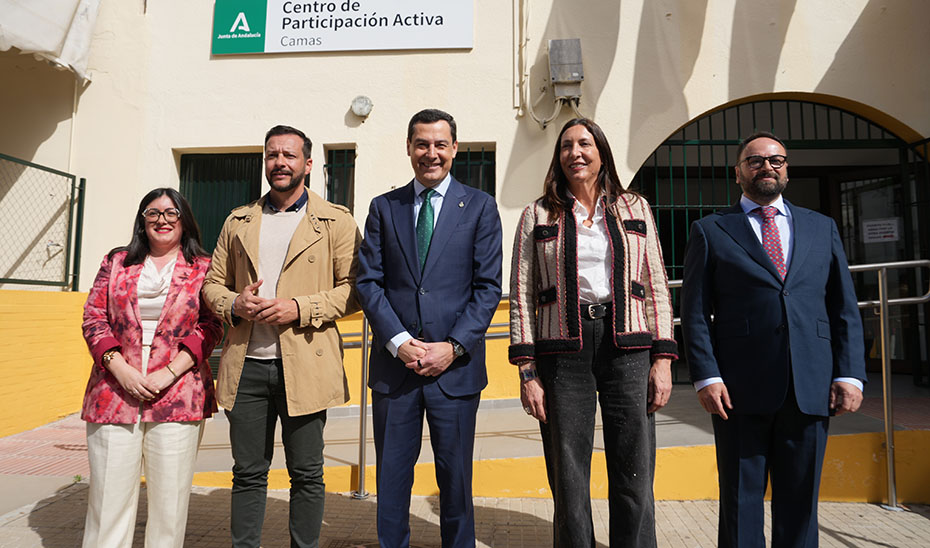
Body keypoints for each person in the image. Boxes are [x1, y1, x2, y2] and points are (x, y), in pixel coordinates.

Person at [680, 131, 867, 548]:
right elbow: (694, 312)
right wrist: (706, 377)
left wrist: (851, 374)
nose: (767, 166)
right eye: (755, 160)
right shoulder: (711, 230)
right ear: (738, 173)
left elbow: (843, 306)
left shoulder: (822, 227)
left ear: (786, 169)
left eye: (776, 160)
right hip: (739, 390)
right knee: (741, 500)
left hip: (811, 384)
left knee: (801, 502)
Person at [509, 118, 678, 547]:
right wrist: (528, 372)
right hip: (562, 350)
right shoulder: (537, 214)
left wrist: (662, 360)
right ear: (558, 157)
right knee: (568, 474)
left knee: (634, 468)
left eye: (584, 143)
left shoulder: (633, 207)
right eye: (566, 146)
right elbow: (522, 293)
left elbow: (656, 282)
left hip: (629, 347)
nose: (575, 153)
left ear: (601, 151)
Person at [202, 125, 360, 548]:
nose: (280, 163)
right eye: (273, 155)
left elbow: (357, 290)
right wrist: (235, 304)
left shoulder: (335, 221)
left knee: (307, 473)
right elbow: (211, 284)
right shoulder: (238, 220)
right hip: (246, 367)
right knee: (248, 473)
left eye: (289, 155)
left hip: (306, 365)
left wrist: (299, 307)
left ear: (308, 164)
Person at [356, 108, 503, 548]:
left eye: (441, 144)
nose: (431, 153)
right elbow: (368, 282)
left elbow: (488, 287)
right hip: (395, 371)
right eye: (422, 144)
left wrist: (452, 347)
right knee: (392, 484)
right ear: (408, 148)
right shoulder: (384, 208)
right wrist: (399, 342)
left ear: (454, 149)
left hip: (454, 374)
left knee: (456, 484)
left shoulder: (479, 207)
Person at [80, 188, 222, 547]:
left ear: (185, 221)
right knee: (107, 504)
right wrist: (120, 369)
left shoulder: (204, 268)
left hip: (178, 393)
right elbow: (93, 318)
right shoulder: (116, 261)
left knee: (169, 508)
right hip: (114, 393)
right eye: (153, 212)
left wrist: (169, 372)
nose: (162, 219)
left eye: (172, 212)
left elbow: (211, 326)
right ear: (142, 221)